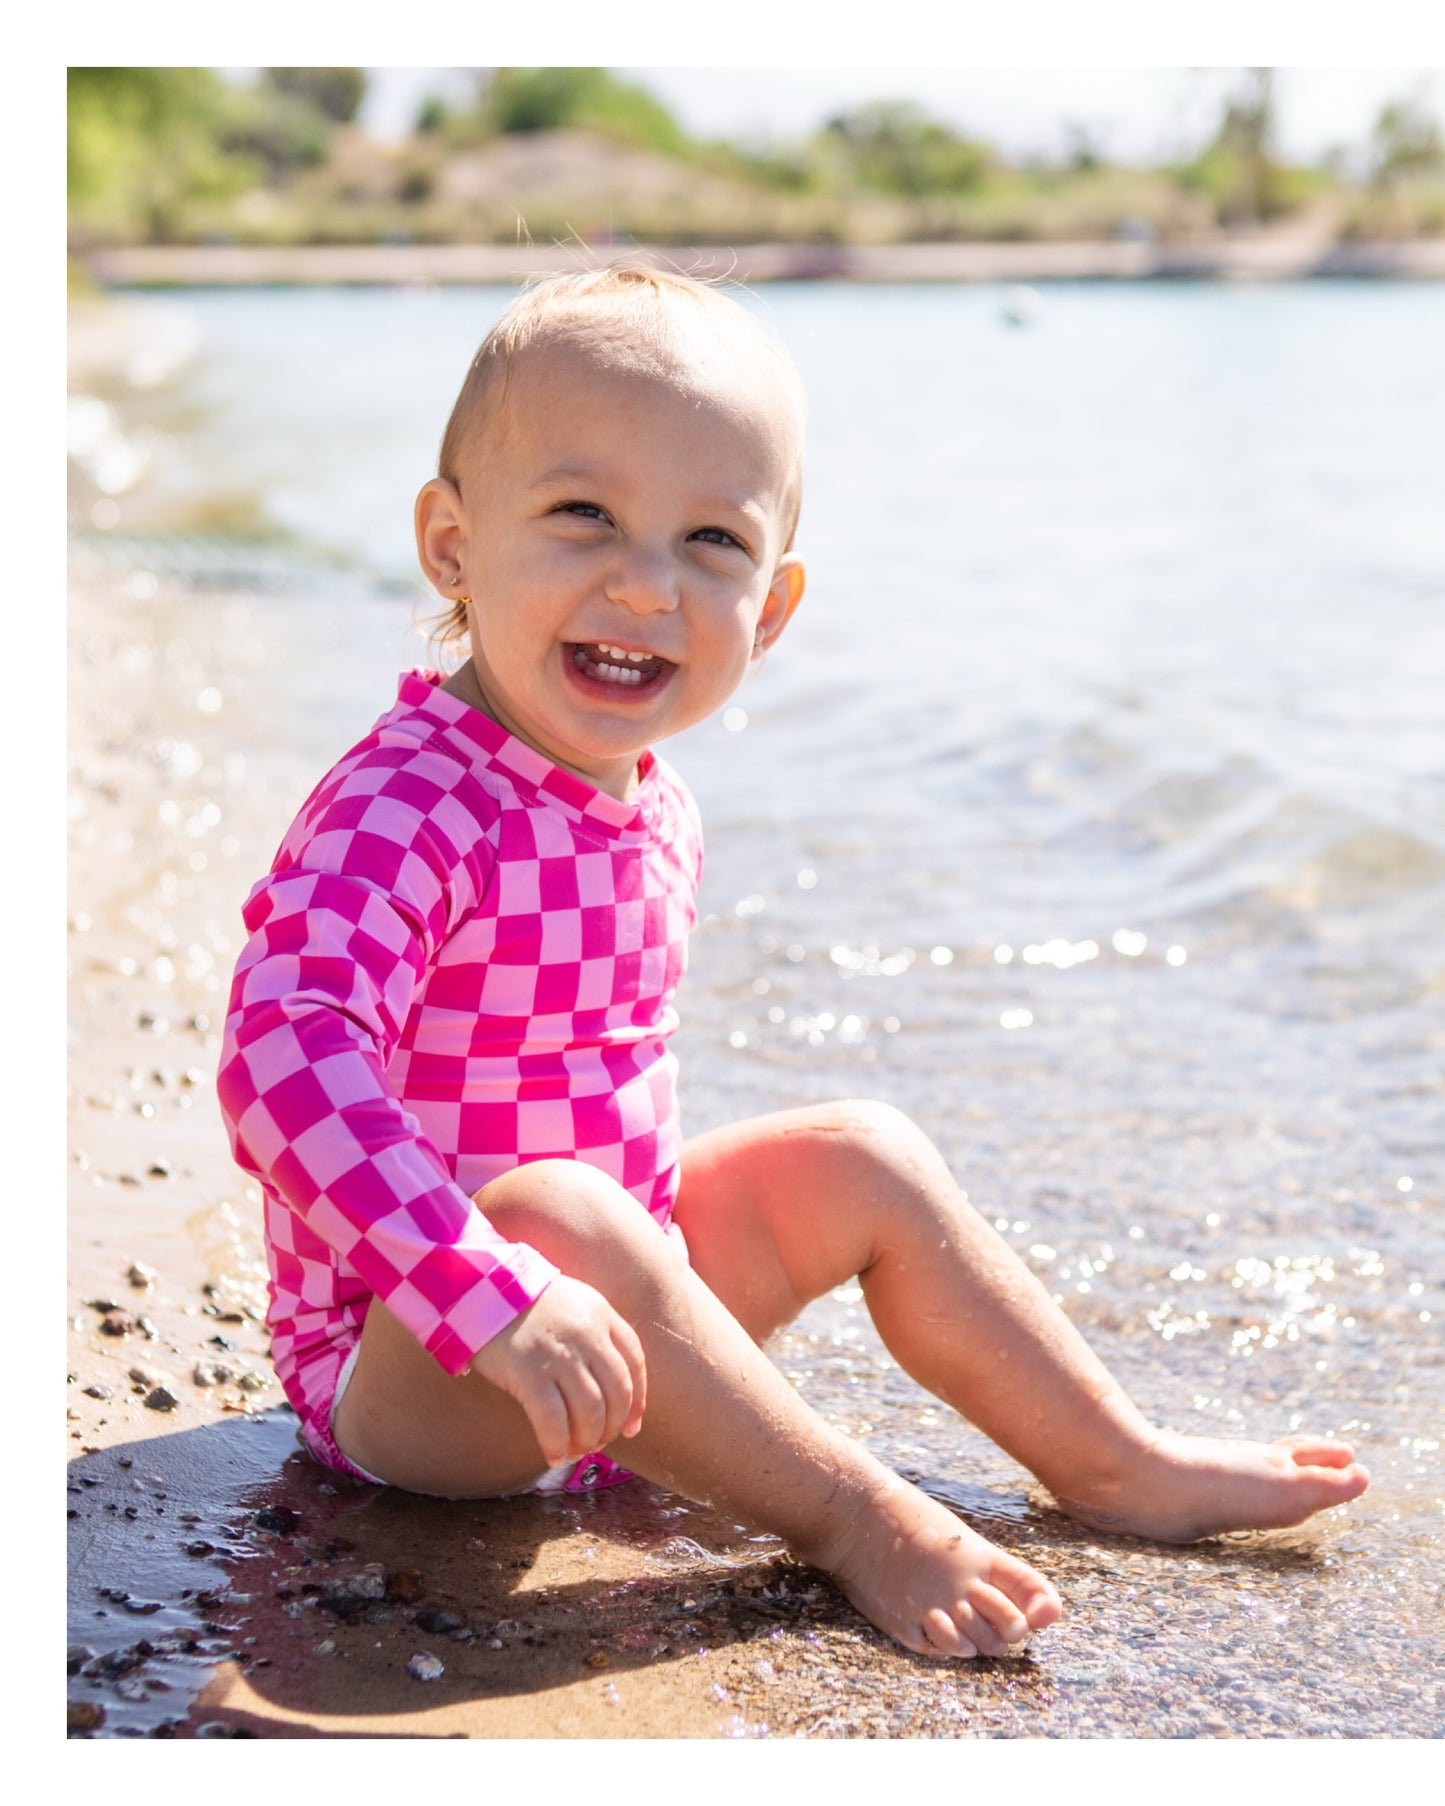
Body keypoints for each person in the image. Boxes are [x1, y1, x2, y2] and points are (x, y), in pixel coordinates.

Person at [218, 265, 1370, 1660]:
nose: (644, 581)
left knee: (858, 1152)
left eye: (711, 539)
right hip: (417, 1355)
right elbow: (282, 1058)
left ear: (769, 610)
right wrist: (484, 1285)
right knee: (564, 1211)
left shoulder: (655, 803)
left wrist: (601, 1273)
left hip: (606, 1312)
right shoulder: (408, 800)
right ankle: (846, 1513)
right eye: (582, 513)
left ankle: (1113, 1458)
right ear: (451, 544)